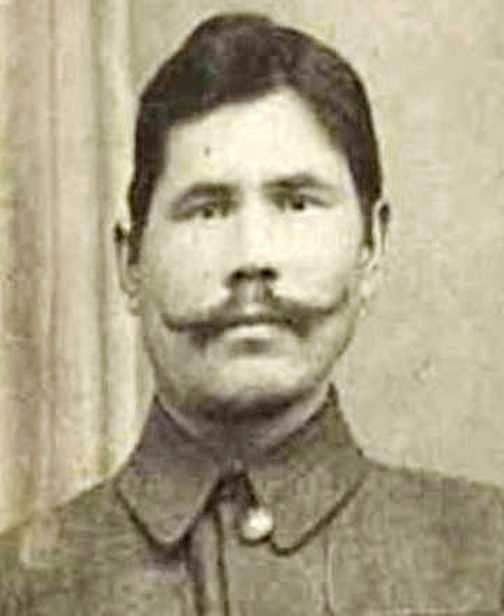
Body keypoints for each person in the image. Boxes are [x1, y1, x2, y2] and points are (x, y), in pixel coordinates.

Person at [1, 12, 503, 615]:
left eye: (296, 203)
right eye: (207, 210)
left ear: (371, 247)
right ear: (130, 260)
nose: (251, 258)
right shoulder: (19, 588)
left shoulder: (486, 558)